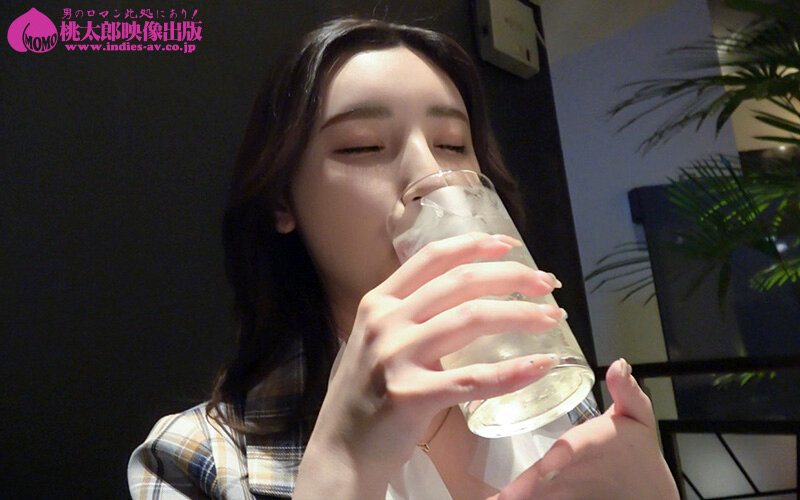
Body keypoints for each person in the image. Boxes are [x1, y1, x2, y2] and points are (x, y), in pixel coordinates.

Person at [128, 16, 679, 499]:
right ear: (282, 200)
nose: (428, 176)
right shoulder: (197, 457)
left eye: (452, 143)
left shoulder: (554, 399)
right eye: (363, 146)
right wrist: (342, 467)